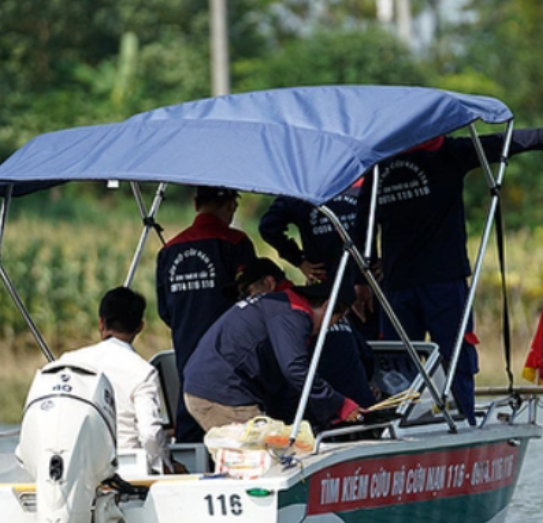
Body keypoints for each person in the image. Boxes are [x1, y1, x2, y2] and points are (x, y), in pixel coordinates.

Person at [355, 121, 543, 424]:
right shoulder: (381, 164)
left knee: (456, 356)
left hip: (440, 280)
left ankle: (464, 420)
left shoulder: (448, 152)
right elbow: (362, 225)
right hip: (399, 284)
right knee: (397, 363)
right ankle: (397, 425)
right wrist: (362, 278)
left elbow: (500, 142)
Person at [181, 278, 366, 434]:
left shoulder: (280, 306)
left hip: (212, 387)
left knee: (265, 456)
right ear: (327, 306)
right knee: (264, 462)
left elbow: (285, 380)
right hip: (222, 395)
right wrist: (339, 405)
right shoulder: (292, 315)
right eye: (337, 320)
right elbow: (295, 369)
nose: (329, 328)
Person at [155, 186, 257, 443]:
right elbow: (252, 302)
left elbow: (165, 311)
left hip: (187, 357)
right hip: (230, 362)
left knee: (190, 431)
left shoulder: (169, 250)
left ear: (195, 203)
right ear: (231, 205)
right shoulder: (236, 243)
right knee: (238, 435)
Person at [43, 287, 171, 473]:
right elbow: (150, 435)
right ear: (139, 327)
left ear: (101, 323)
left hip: (74, 467)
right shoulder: (143, 372)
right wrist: (165, 466)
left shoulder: (68, 361)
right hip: (127, 471)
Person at [234, 258, 377, 415]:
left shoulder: (291, 318)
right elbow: (367, 358)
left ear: (269, 284)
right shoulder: (329, 310)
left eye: (247, 292)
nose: (246, 300)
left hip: (327, 415)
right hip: (361, 406)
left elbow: (290, 377)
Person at [259, 179, 378, 340]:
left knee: (330, 343)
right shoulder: (361, 178)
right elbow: (269, 226)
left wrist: (299, 261)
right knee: (370, 347)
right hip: (356, 283)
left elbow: (268, 226)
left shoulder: (304, 185)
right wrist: (299, 260)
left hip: (329, 289)